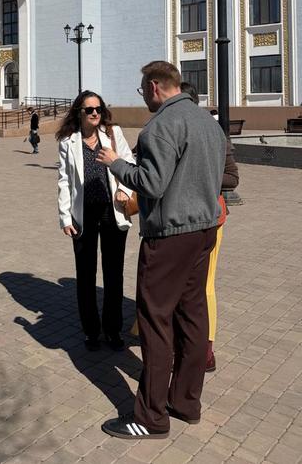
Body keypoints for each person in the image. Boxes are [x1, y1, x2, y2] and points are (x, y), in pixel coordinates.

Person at [96, 61, 225, 439]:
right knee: (193, 316)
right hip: (204, 230)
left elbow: (151, 184)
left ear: (154, 87)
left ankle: (150, 417)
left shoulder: (161, 125)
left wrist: (116, 164)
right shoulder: (208, 123)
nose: (144, 98)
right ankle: (186, 402)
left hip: (169, 235)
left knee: (155, 321)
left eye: (142, 91)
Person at [57, 91, 136, 352]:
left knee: (113, 273)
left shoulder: (112, 134)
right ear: (78, 112)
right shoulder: (68, 141)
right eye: (89, 109)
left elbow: (129, 162)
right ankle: (91, 331)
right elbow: (64, 180)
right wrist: (65, 217)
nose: (94, 113)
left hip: (112, 211)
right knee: (85, 274)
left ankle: (113, 330)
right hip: (84, 215)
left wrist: (124, 189)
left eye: (98, 109)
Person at [180, 81, 239, 373]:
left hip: (211, 219)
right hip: (178, 221)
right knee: (178, 284)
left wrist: (198, 176)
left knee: (204, 285)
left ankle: (206, 348)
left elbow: (232, 178)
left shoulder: (215, 133)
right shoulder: (169, 130)